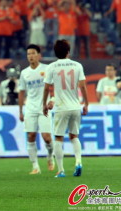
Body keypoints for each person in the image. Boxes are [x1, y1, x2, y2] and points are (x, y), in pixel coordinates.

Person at [43, 39, 88, 178]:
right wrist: (86, 103)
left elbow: (46, 88)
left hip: (61, 107)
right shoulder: (77, 65)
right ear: (68, 52)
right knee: (74, 136)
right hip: (75, 106)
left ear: (55, 52)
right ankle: (78, 162)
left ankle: (61, 170)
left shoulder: (51, 67)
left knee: (58, 138)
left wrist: (44, 104)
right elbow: (82, 86)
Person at [18, 44, 55, 175]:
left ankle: (50, 156)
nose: (31, 56)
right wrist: (20, 110)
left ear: (39, 55)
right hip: (30, 108)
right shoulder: (24, 73)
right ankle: (35, 166)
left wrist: (53, 99)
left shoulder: (47, 69)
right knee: (31, 136)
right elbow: (22, 92)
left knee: (47, 138)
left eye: (33, 53)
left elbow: (53, 86)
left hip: (44, 108)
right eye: (28, 54)